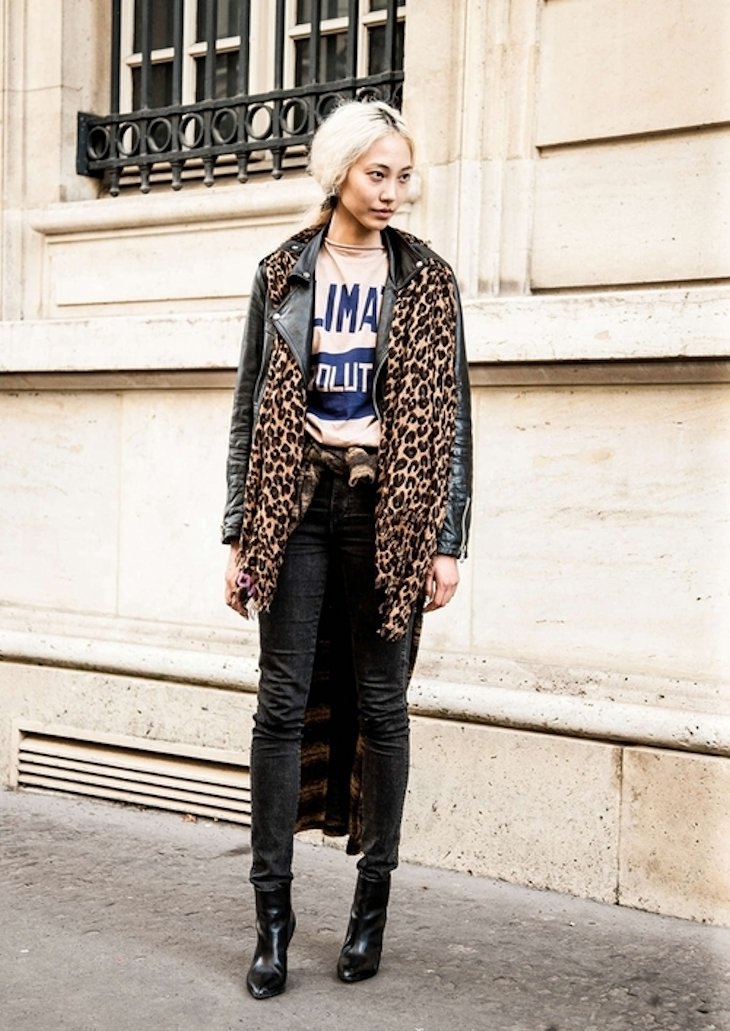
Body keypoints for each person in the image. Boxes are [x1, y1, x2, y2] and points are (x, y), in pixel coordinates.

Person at [221, 98, 472, 1000]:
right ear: (339, 174)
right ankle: (272, 921)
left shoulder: (430, 280)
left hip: (390, 511)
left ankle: (372, 907)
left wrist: (447, 540)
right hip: (294, 505)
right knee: (279, 705)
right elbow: (250, 407)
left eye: (404, 175)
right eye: (378, 173)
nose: (394, 190)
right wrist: (236, 533)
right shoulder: (282, 273)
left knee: (383, 704)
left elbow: (454, 420)